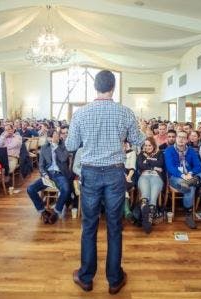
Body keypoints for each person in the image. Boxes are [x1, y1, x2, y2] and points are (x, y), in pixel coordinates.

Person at [66, 70, 145, 295]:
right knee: (114, 225)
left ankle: (86, 277)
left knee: (89, 225)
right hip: (114, 173)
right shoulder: (125, 112)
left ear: (96, 87)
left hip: (90, 172)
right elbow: (139, 140)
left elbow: (71, 145)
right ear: (113, 87)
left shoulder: (81, 113)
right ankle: (114, 279)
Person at [165, 130, 201, 229]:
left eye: (184, 137)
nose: (181, 139)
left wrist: (190, 174)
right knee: (190, 187)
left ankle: (192, 181)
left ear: (187, 140)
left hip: (190, 176)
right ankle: (188, 214)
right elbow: (170, 167)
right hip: (176, 177)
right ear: (176, 138)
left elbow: (199, 166)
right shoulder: (169, 150)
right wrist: (183, 175)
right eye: (179, 137)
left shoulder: (191, 151)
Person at [27, 130, 71, 224]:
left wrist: (56, 146)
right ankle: (43, 212)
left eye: (57, 135)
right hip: (48, 174)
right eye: (53, 136)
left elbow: (63, 159)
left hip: (60, 174)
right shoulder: (44, 147)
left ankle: (56, 211)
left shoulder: (64, 146)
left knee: (66, 189)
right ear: (49, 138)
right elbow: (41, 165)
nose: (55, 137)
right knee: (30, 189)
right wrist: (45, 174)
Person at [137, 137, 165, 234]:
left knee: (153, 198)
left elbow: (161, 163)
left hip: (156, 177)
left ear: (153, 145)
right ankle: (146, 213)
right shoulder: (141, 154)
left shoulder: (160, 153)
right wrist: (155, 166)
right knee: (145, 196)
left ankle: (148, 219)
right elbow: (141, 165)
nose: (147, 147)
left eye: (149, 145)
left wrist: (148, 161)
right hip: (144, 176)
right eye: (146, 145)